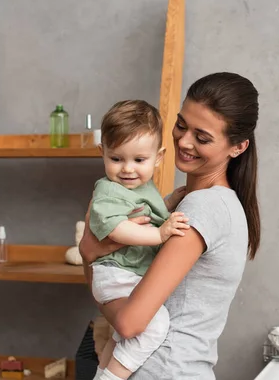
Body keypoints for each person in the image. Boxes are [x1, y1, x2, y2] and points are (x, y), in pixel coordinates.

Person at [80, 72, 261, 379]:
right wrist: (92, 254)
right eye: (180, 125)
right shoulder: (193, 202)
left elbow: (128, 323)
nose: (184, 141)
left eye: (202, 138)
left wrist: (88, 254)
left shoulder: (203, 208)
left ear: (238, 147)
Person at [87, 100, 190, 380]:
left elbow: (145, 213)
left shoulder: (141, 188)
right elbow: (117, 229)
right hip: (116, 273)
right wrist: (159, 234)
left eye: (139, 160)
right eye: (116, 159)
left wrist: (167, 204)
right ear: (103, 153)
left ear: (158, 157)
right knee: (156, 325)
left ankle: (101, 375)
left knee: (121, 337)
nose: (127, 169)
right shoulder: (108, 191)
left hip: (126, 272)